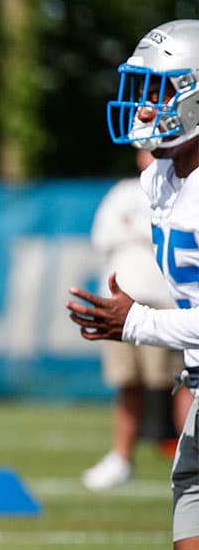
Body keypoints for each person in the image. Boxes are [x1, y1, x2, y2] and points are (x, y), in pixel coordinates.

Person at [67, 18, 199, 550]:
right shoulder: (161, 181)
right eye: (142, 88)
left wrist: (136, 323)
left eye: (160, 90)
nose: (145, 105)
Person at [80, 149, 188, 491]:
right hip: (122, 306)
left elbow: (167, 236)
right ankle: (121, 457)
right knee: (127, 382)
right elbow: (102, 235)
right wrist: (143, 231)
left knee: (180, 382)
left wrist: (138, 228)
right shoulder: (124, 191)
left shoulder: (186, 188)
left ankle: (189, 456)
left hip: (166, 304)